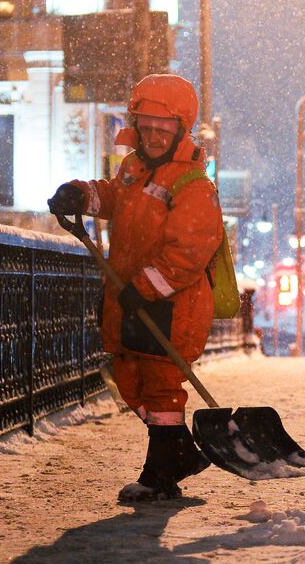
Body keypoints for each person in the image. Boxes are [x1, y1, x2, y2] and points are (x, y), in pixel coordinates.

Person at [48, 74, 222, 502]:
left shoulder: (193, 185)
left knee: (161, 385)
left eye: (163, 129)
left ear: (181, 130)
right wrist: (81, 195)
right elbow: (113, 198)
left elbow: (188, 254)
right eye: (146, 127)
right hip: (132, 298)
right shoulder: (133, 168)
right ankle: (177, 448)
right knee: (129, 375)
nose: (153, 136)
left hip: (171, 305)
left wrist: (144, 287)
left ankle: (161, 474)